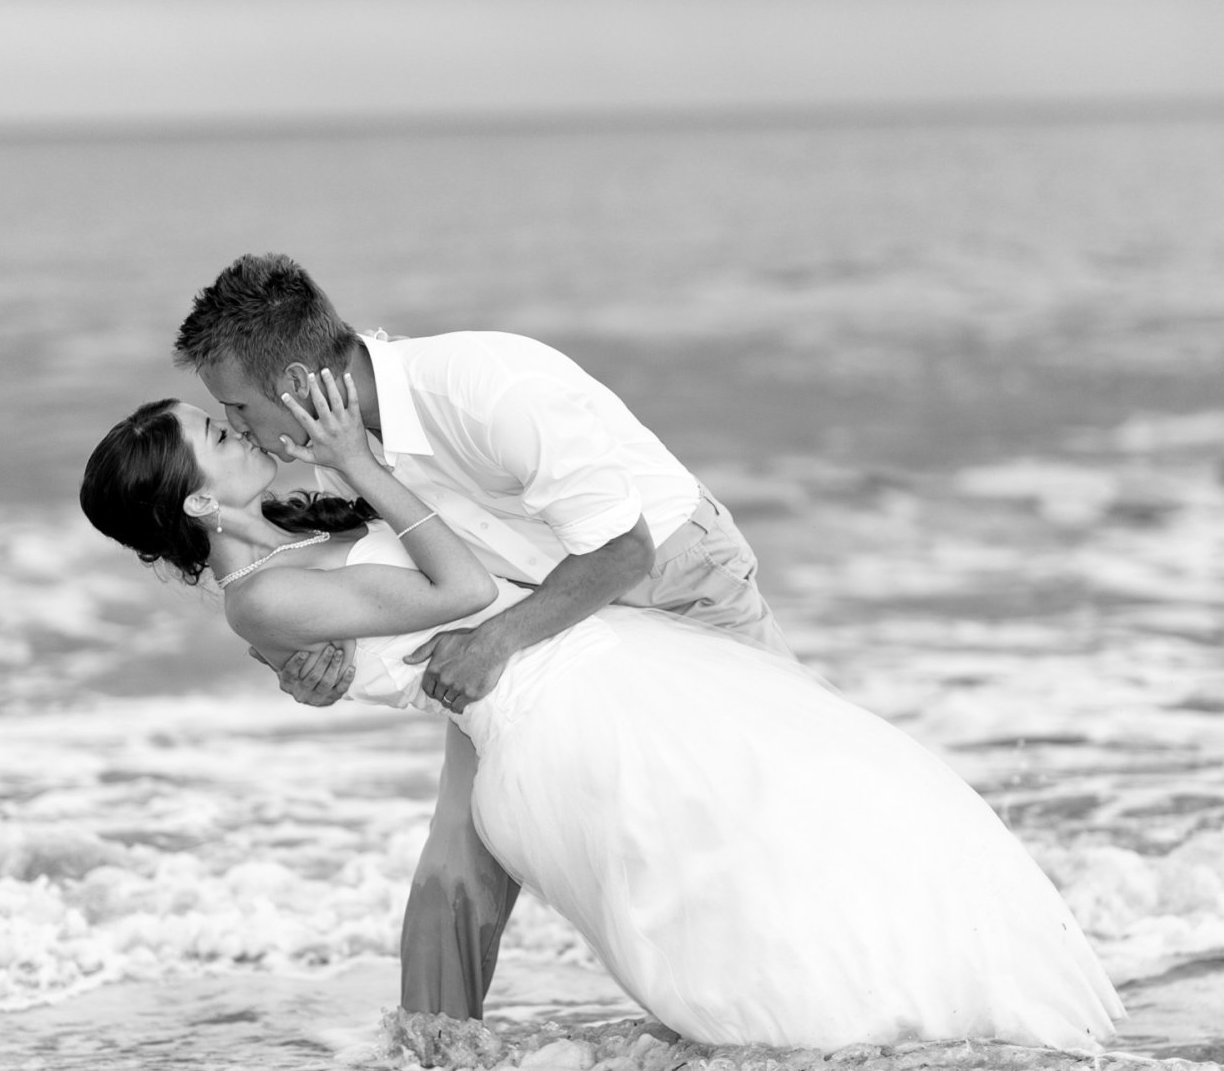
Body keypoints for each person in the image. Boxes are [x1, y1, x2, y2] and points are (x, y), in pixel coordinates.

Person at [78, 373, 1125, 1050]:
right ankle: (844, 1026)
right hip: (557, 719)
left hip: (598, 670)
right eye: (219, 433)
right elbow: (460, 594)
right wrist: (362, 468)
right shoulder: (263, 595)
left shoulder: (294, 551)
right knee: (731, 879)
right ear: (198, 505)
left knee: (797, 827)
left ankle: (912, 1012)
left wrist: (357, 475)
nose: (242, 428)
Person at [169, 253, 788, 1020]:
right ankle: (433, 1046)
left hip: (680, 580)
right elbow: (368, 576)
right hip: (534, 626)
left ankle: (777, 1013)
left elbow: (624, 551)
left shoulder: (485, 388)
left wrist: (492, 643)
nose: (240, 428)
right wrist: (309, 666)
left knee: (773, 799)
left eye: (236, 409)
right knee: (461, 850)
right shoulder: (335, 449)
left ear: (297, 383)